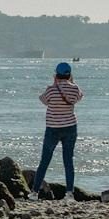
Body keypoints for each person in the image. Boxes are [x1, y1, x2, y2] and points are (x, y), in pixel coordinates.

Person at [31, 62, 84, 201]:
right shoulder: (75, 89)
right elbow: (79, 97)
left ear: (56, 75)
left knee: (45, 161)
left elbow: (43, 100)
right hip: (70, 127)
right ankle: (69, 193)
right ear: (69, 75)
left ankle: (34, 192)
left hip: (52, 128)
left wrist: (55, 85)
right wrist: (71, 83)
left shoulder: (51, 90)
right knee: (68, 161)